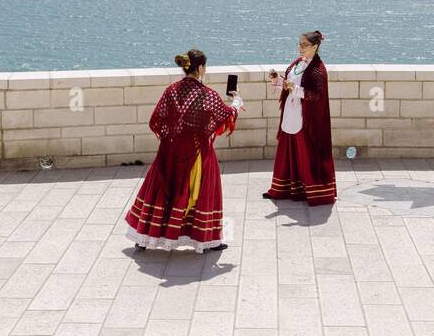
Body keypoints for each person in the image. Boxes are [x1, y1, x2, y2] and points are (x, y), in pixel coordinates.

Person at [125, 49, 242, 253]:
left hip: (169, 151)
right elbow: (225, 116)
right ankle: (205, 239)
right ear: (200, 68)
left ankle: (143, 237)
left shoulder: (171, 90)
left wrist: (171, 137)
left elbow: (156, 120)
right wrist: (237, 102)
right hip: (197, 153)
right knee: (199, 193)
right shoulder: (208, 95)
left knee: (159, 190)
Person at [264, 30, 336, 205]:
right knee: (288, 151)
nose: (301, 47)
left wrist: (294, 88)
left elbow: (316, 95)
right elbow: (290, 83)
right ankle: (284, 188)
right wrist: (277, 80)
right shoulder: (298, 63)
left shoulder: (318, 70)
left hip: (307, 119)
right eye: (299, 43)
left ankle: (313, 191)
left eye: (305, 45)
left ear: (315, 46)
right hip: (291, 113)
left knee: (305, 154)